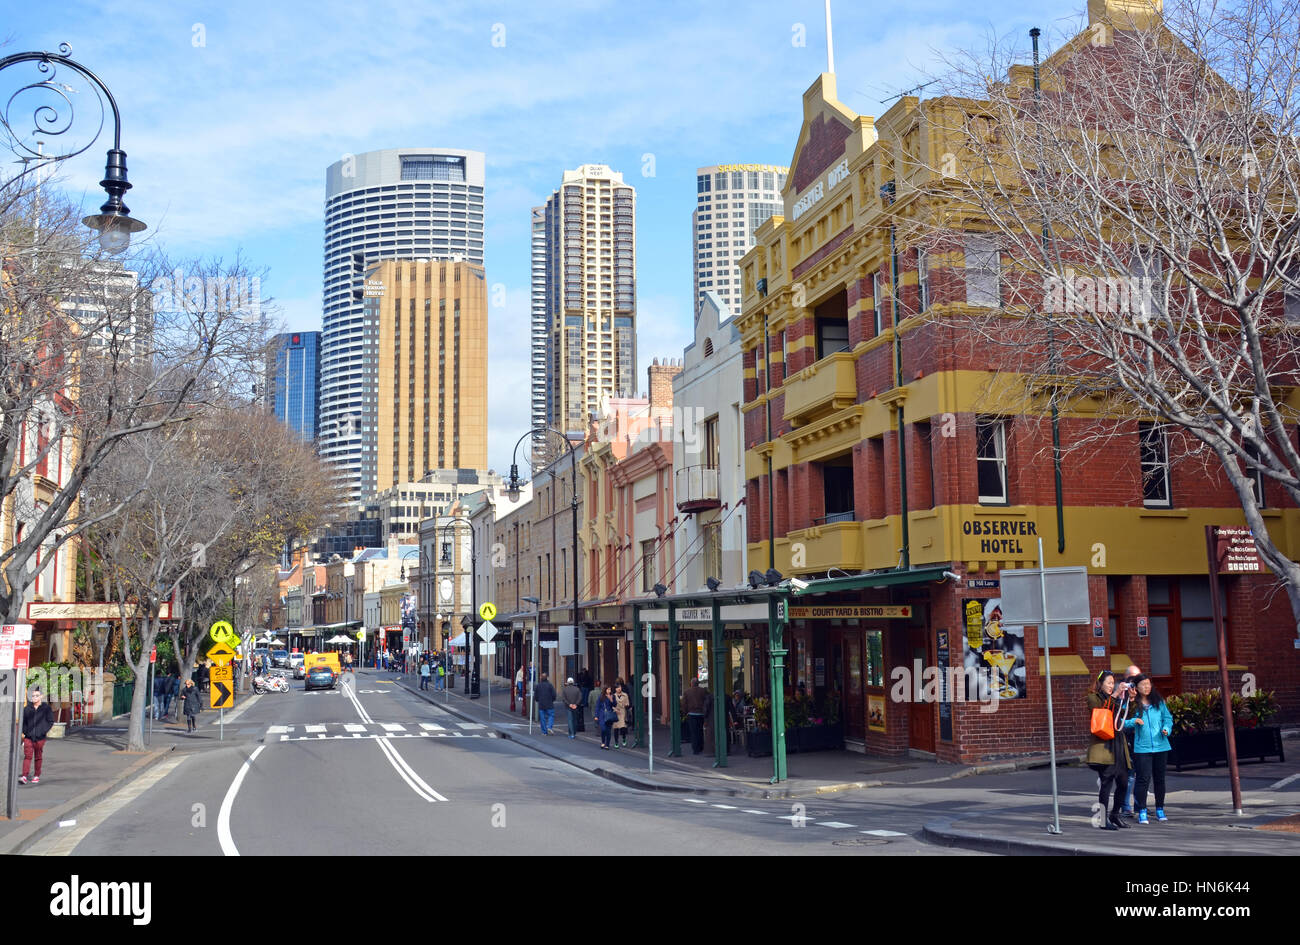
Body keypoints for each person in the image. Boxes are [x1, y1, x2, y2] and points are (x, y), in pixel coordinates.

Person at [1085, 670, 1133, 830]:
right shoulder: (1093, 697)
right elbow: (1101, 711)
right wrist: (1115, 696)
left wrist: (1129, 698)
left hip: (1118, 744)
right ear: (1101, 684)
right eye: (1109, 683)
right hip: (1104, 746)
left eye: (1113, 683)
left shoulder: (1116, 698)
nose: (1112, 686)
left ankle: (1115, 815)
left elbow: (1123, 716)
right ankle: (1103, 819)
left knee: (1124, 783)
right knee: (1106, 784)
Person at [1129, 674, 1174, 823]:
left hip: (1161, 746)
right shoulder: (1132, 703)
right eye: (1143, 685)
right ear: (1136, 687)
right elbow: (1123, 721)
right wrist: (1134, 721)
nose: (1146, 687)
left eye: (1148, 684)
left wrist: (1166, 728)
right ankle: (1141, 810)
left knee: (1160, 780)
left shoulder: (1158, 702)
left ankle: (1160, 808)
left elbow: (1168, 718)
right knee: (1143, 779)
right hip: (1142, 748)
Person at [1119, 663, 1142, 816]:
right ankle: (1125, 806)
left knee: (1142, 775)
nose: (1134, 682)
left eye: (1137, 678)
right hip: (1126, 741)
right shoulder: (1121, 695)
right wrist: (1130, 699)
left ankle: (1141, 806)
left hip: (1142, 741)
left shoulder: (1144, 694)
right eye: (1131, 678)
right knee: (1129, 775)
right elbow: (1120, 720)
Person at [20, 688, 54, 785]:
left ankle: (36, 775)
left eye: (36, 695)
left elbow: (50, 721)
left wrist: (42, 731)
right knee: (27, 756)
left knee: (38, 757)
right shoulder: (27, 709)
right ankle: (24, 776)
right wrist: (26, 732)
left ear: (41, 697)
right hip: (29, 737)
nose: (34, 697)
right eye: (33, 696)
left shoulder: (46, 708)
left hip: (40, 738)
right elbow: (23, 722)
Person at [682, 676, 713, 755]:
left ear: (691, 683)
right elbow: (708, 700)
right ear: (698, 683)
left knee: (693, 732)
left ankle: (695, 749)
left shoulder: (686, 692)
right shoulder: (703, 691)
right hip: (701, 714)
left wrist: (685, 713)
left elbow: (684, 704)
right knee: (700, 731)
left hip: (691, 714)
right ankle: (701, 746)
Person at [612, 682, 631, 748]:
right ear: (615, 689)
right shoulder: (613, 696)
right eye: (617, 688)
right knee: (616, 728)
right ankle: (616, 742)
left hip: (622, 712)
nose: (618, 689)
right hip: (615, 713)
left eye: (619, 687)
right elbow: (611, 704)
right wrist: (614, 709)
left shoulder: (625, 695)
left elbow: (627, 703)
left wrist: (626, 705)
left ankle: (624, 738)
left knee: (623, 728)